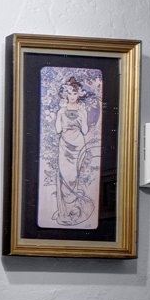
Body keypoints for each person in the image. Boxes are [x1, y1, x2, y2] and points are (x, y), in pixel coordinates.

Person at [47, 73, 98, 227]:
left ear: (79, 94)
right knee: (64, 176)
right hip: (64, 144)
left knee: (73, 177)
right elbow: (57, 130)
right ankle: (64, 210)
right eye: (69, 93)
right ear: (65, 93)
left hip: (78, 145)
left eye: (74, 93)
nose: (71, 96)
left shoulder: (82, 109)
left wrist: (82, 115)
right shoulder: (61, 110)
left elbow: (84, 130)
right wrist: (59, 115)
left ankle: (73, 208)